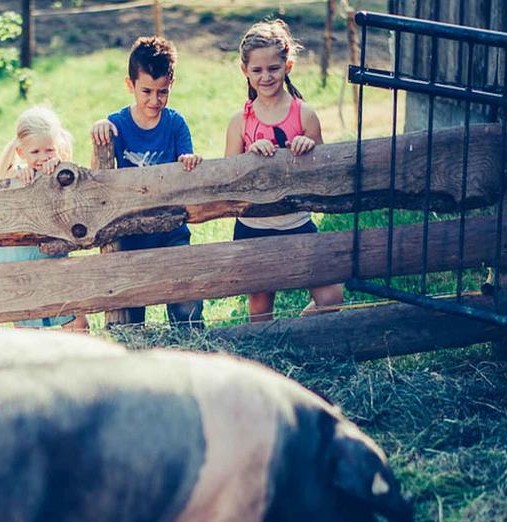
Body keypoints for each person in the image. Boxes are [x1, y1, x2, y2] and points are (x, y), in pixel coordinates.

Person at [224, 19, 343, 322]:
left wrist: (308, 146)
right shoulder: (241, 121)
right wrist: (250, 157)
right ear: (245, 71)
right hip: (254, 227)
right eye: (257, 70)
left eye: (273, 68)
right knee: (261, 307)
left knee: (331, 297)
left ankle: (297, 331)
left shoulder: (305, 115)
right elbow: (227, 177)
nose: (266, 77)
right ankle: (267, 353)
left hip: (296, 221)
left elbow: (322, 174)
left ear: (288, 65)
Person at [91, 36, 204, 329]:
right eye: (146, 91)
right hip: (130, 232)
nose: (155, 100)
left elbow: (186, 164)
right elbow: (98, 178)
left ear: (171, 85)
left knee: (185, 300)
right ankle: (131, 350)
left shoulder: (175, 124)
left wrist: (189, 162)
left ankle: (189, 343)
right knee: (130, 309)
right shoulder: (117, 124)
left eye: (162, 92)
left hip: (171, 228)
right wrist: (100, 134)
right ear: (130, 85)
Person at [0, 106, 90, 331]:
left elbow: (76, 188)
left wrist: (59, 169)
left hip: (53, 260)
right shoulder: (17, 175)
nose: (43, 157)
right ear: (21, 152)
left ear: (59, 148)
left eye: (49, 150)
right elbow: (5, 183)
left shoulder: (63, 172)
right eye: (35, 152)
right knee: (28, 327)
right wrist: (16, 176)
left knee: (77, 323)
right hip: (20, 264)